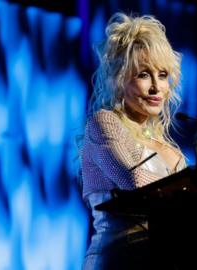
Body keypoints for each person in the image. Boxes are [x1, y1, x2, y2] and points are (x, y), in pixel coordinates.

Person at [80, 12, 186, 270]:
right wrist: (189, 191)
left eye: (162, 75)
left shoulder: (172, 151)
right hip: (118, 260)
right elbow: (134, 180)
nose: (156, 87)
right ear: (119, 79)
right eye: (143, 74)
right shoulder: (104, 123)